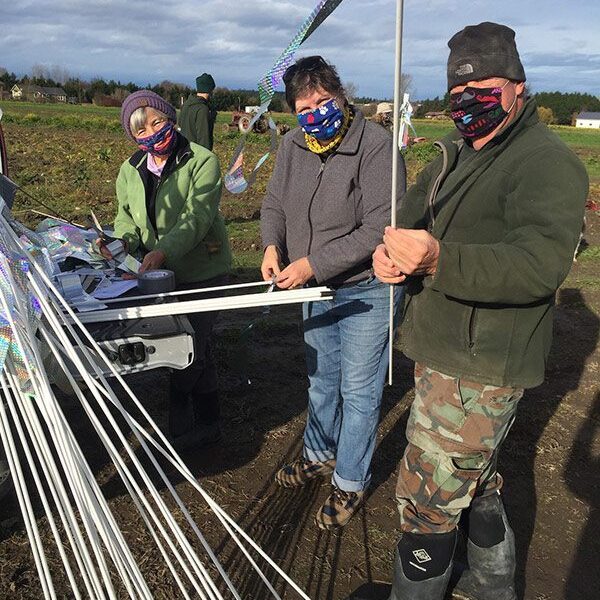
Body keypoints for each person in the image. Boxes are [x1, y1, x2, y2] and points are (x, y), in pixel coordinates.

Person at [371, 22, 588, 599]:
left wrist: (439, 260)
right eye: (458, 94)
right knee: (479, 484)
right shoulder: (452, 155)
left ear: (518, 86)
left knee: (426, 504)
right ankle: (493, 586)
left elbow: (539, 265)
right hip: (440, 349)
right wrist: (387, 256)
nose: (469, 103)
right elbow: (407, 222)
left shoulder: (547, 163)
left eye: (485, 87)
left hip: (481, 367)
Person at [260, 56, 405, 530]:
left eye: (324, 101)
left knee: (358, 392)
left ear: (342, 96)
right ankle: (319, 455)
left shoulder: (377, 147)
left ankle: (349, 481)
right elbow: (275, 202)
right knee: (322, 381)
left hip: (366, 289)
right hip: (314, 290)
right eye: (305, 106)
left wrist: (311, 265)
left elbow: (378, 229)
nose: (315, 112)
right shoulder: (292, 146)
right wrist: (271, 245)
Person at [102, 90, 231, 449]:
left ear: (170, 118)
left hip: (202, 268)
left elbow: (198, 217)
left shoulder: (202, 161)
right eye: (142, 129)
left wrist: (161, 251)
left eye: (157, 121)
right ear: (133, 136)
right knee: (179, 342)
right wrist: (122, 242)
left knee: (196, 341)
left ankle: (192, 412)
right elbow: (124, 217)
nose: (153, 132)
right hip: (155, 273)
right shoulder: (130, 169)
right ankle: (202, 415)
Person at [179, 73, 217, 151]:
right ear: (210, 90)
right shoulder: (202, 109)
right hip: (197, 155)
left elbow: (180, 125)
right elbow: (204, 138)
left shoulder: (186, 105)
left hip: (183, 152)